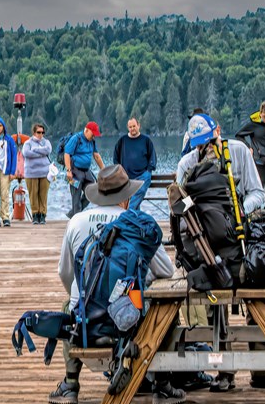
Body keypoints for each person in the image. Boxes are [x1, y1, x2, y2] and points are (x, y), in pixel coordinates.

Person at [53, 165, 177, 404]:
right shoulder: (136, 224)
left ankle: (70, 385)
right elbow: (166, 271)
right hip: (128, 320)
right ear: (126, 197)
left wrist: (83, 299)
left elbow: (64, 272)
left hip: (86, 322)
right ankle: (161, 383)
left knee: (68, 306)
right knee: (167, 311)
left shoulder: (76, 221)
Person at [177, 112, 265, 392]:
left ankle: (263, 369)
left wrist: (240, 211)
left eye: (210, 140)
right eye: (200, 144)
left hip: (240, 243)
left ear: (219, 131)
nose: (207, 148)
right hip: (207, 252)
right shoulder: (186, 164)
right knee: (216, 308)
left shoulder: (238, 152)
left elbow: (258, 193)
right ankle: (224, 372)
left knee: (258, 297)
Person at [113, 117, 157, 210]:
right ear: (128, 128)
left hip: (142, 176)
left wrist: (149, 170)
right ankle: (133, 217)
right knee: (135, 203)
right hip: (126, 177)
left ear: (139, 125)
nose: (132, 128)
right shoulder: (122, 140)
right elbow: (115, 157)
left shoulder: (146, 140)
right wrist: (119, 171)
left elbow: (152, 157)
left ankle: (128, 212)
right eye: (130, 127)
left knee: (137, 194)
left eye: (134, 126)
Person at [64, 121, 105, 218]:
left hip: (86, 171)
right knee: (76, 197)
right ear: (86, 130)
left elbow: (96, 156)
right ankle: (76, 217)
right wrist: (68, 171)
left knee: (93, 191)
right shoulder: (76, 139)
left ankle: (73, 214)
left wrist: (104, 170)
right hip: (75, 171)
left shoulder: (92, 141)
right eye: (93, 134)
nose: (94, 136)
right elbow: (67, 154)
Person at [236, 101, 265, 204]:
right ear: (260, 114)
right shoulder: (254, 125)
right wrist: (248, 147)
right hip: (259, 163)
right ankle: (255, 215)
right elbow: (238, 135)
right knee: (257, 192)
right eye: (264, 117)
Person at [22, 123, 52, 225]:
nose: (41, 134)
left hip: (45, 172)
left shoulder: (46, 142)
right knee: (33, 195)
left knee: (43, 195)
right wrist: (41, 153)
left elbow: (48, 150)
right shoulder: (28, 143)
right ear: (34, 132)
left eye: (42, 132)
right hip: (31, 173)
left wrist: (35, 150)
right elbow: (26, 153)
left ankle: (42, 215)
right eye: (39, 132)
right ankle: (35, 214)